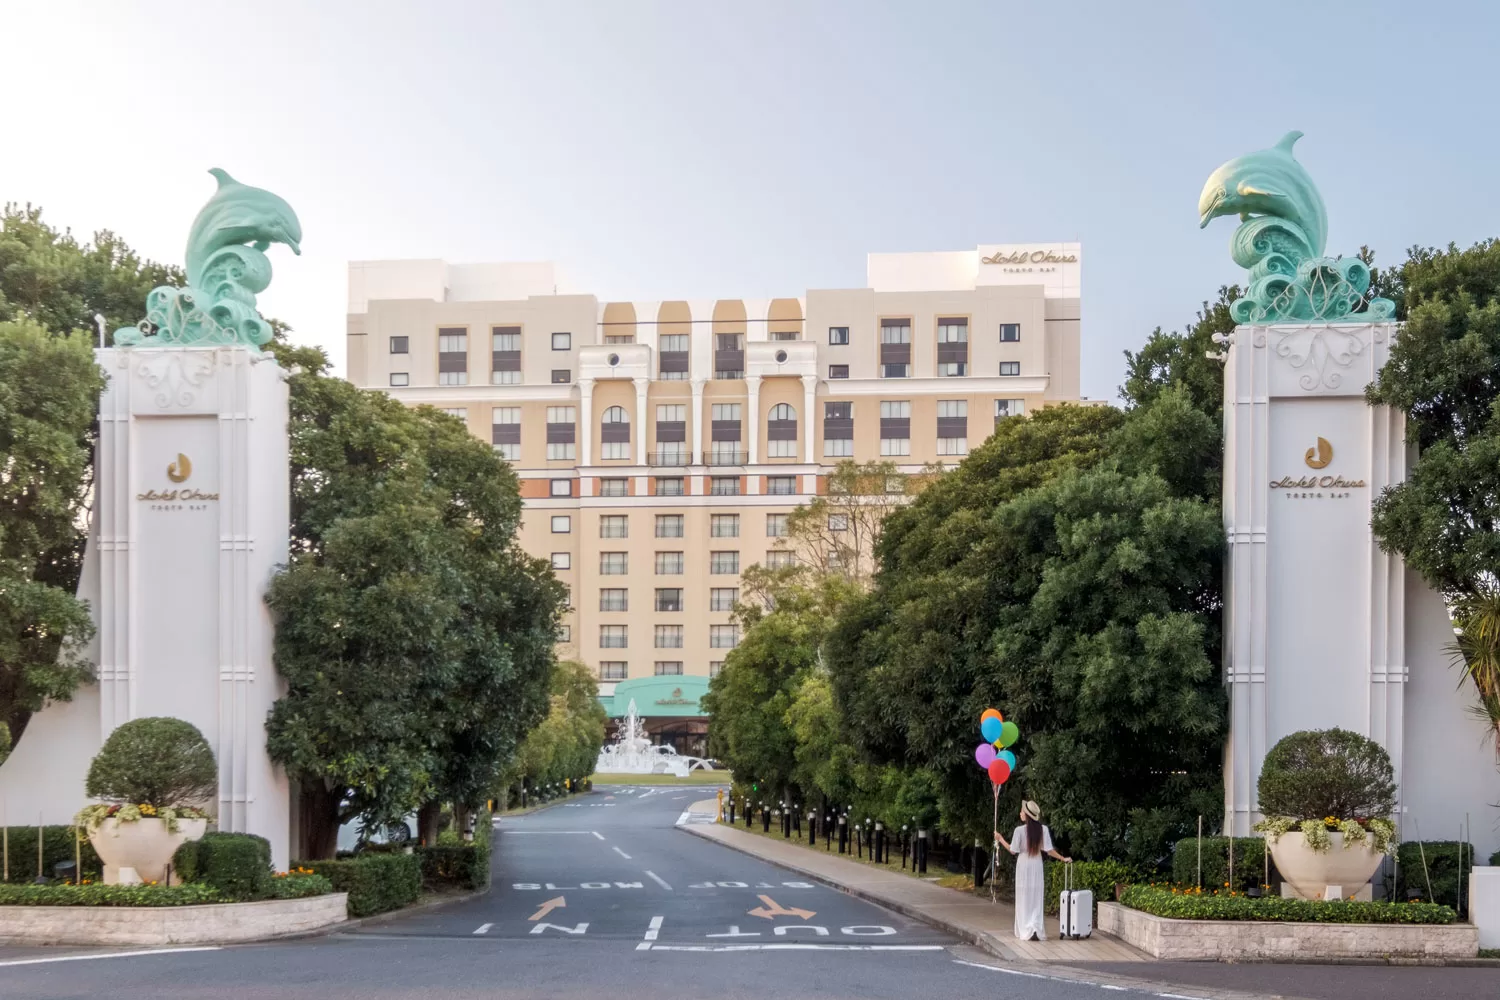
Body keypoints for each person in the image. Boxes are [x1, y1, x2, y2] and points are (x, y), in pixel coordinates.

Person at [995, 800, 1071, 941]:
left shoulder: (1019, 831)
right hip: (1036, 864)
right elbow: (1048, 850)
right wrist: (1062, 858)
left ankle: (1025, 929)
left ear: (1027, 815)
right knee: (1036, 896)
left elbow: (1013, 850)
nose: (1020, 813)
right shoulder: (1043, 830)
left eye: (1022, 811)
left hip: (1023, 865)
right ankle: (1035, 927)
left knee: (1024, 896)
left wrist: (1000, 839)